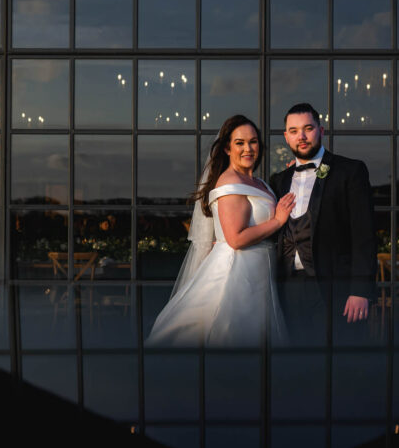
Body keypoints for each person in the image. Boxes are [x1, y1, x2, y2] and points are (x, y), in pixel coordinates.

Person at [146, 115, 295, 347]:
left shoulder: (260, 183)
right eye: (240, 143)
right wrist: (277, 221)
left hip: (260, 271)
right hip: (236, 274)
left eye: (253, 142)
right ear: (227, 148)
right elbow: (235, 239)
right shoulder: (229, 182)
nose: (248, 148)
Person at [269, 103, 377, 344]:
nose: (302, 136)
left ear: (321, 130)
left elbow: (364, 235)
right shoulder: (279, 180)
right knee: (298, 362)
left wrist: (360, 290)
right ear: (286, 137)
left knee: (338, 362)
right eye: (294, 131)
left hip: (334, 289)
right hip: (289, 289)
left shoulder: (350, 171)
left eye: (308, 128)